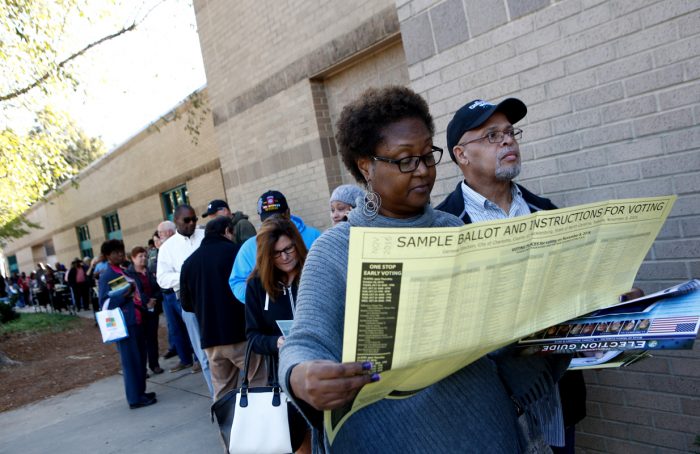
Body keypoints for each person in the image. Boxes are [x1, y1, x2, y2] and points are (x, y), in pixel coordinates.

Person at [279, 86, 569, 452]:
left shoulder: (454, 231)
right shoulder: (336, 249)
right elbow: (305, 341)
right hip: (387, 439)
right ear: (366, 166)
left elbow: (499, 336)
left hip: (486, 431)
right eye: (404, 160)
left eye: (427, 156)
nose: (422, 171)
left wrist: (566, 317)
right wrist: (302, 376)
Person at [436, 97, 643, 452]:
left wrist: (612, 303)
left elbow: (580, 292)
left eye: (510, 132)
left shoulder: (548, 214)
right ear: (461, 155)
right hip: (486, 407)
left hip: (553, 398)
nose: (507, 141)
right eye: (491, 135)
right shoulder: (442, 229)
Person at [180, 216, 266, 401]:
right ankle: (262, 428)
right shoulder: (236, 253)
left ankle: (227, 429)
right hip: (241, 335)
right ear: (227, 231)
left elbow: (186, 304)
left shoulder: (189, 263)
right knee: (260, 382)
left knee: (223, 392)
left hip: (210, 340)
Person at [245, 215, 311, 452]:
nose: (285, 257)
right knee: (301, 443)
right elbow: (253, 336)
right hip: (286, 379)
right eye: (277, 253)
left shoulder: (312, 271)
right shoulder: (256, 286)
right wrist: (276, 342)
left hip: (322, 366)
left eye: (289, 249)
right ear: (266, 256)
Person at [156, 205, 213, 397]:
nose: (191, 224)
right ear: (177, 222)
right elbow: (162, 279)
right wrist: (186, 276)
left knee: (228, 349)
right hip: (189, 303)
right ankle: (219, 399)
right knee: (204, 355)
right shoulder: (167, 248)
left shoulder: (206, 237)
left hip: (214, 299)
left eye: (194, 219)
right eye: (186, 220)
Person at [229, 190, 321, 303]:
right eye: (268, 219)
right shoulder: (249, 247)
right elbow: (237, 282)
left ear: (288, 212)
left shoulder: (314, 236)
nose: (274, 222)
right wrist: (261, 299)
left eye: (279, 216)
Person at [97, 239, 156, 409]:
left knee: (139, 359)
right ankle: (135, 398)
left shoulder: (124, 271)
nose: (120, 254)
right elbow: (105, 303)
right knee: (130, 362)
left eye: (121, 251)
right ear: (108, 256)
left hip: (137, 320)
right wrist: (124, 294)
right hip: (124, 324)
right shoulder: (107, 275)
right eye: (115, 252)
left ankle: (141, 392)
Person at [127, 246, 164, 375]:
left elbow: (159, 287)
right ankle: (142, 369)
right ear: (133, 258)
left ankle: (154, 364)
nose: (143, 259)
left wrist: (154, 299)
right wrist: (146, 301)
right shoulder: (129, 274)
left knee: (152, 339)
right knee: (140, 342)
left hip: (153, 310)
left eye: (145, 256)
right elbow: (135, 291)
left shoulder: (150, 271)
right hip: (139, 311)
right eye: (140, 256)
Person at [155, 221, 179, 359]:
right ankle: (185, 357)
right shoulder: (162, 250)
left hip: (178, 292)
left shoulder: (176, 246)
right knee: (174, 327)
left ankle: (196, 358)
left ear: (169, 232)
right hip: (166, 294)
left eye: (160, 233)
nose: (159, 236)